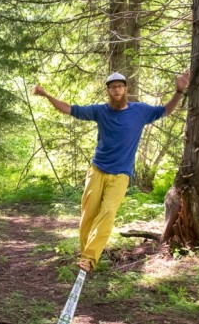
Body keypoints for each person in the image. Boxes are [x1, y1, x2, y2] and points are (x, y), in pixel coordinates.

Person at [33, 70, 190, 272]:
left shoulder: (139, 111)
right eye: (112, 87)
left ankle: (89, 258)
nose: (116, 90)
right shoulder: (100, 111)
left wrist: (178, 91)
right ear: (108, 91)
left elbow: (165, 111)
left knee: (107, 212)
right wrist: (46, 95)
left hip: (121, 174)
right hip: (97, 170)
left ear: (125, 89)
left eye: (120, 86)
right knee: (88, 214)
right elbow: (70, 109)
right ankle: (84, 255)